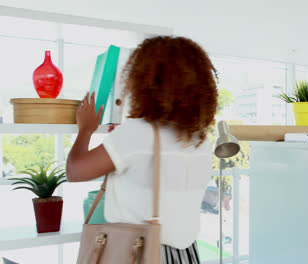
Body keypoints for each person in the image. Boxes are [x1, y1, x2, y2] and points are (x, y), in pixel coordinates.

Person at [66, 36, 218, 264]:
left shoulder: (136, 133)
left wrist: (85, 130)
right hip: (186, 255)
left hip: (138, 253)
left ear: (145, 81)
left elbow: (75, 171)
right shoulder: (200, 139)